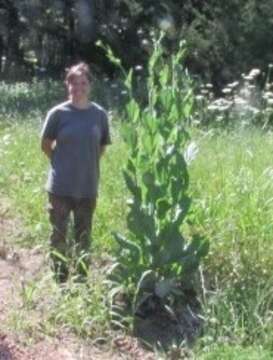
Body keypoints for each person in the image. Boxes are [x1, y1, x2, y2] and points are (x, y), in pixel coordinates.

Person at [41, 62, 111, 281]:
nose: (78, 87)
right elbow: (45, 144)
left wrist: (85, 164)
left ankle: (81, 280)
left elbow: (101, 147)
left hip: (87, 186)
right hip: (60, 187)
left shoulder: (99, 115)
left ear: (90, 85)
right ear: (67, 85)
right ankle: (60, 280)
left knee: (83, 236)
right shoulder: (57, 114)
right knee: (59, 235)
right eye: (73, 82)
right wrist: (61, 162)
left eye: (83, 82)